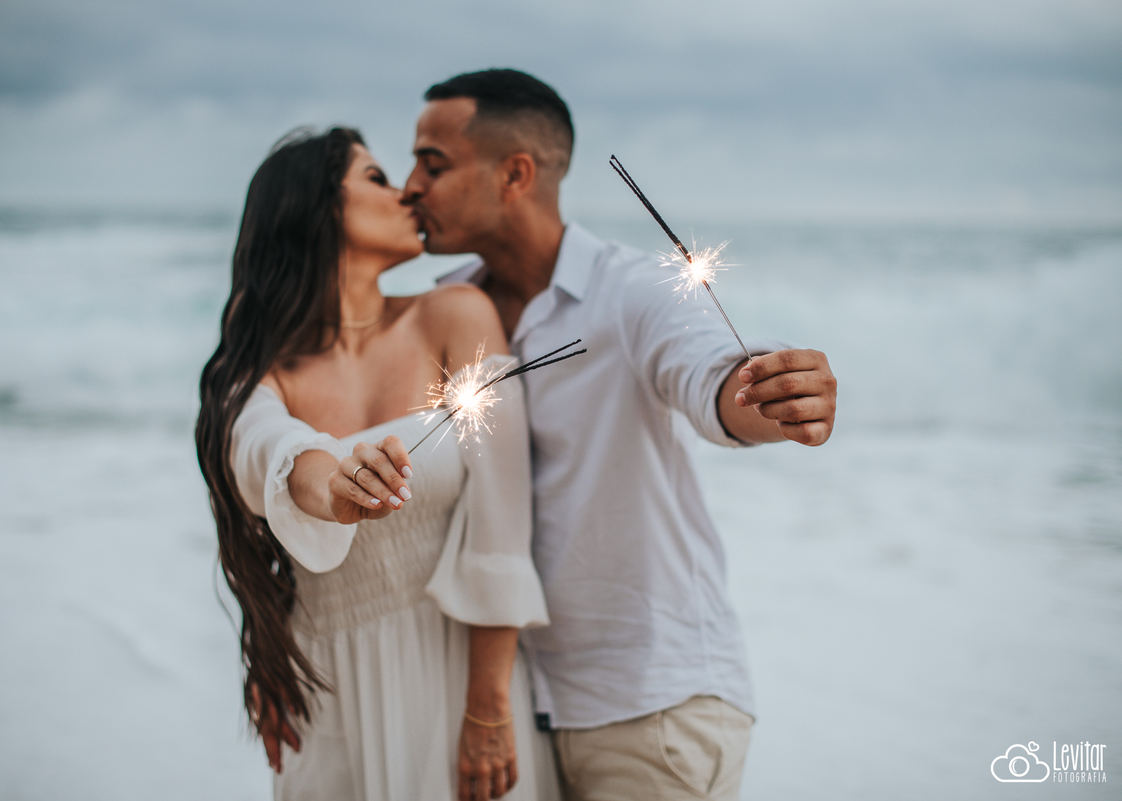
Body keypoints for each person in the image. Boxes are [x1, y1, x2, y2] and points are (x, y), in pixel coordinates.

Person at [401, 69, 839, 800]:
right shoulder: (446, 311)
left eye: (433, 163)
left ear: (515, 174)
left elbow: (709, 375)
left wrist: (772, 397)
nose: (412, 185)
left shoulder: (632, 289)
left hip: (653, 709)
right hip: (517, 708)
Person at [195, 127, 560, 801]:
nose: (407, 192)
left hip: (458, 669)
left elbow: (504, 522)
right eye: (376, 177)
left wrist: (487, 705)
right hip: (324, 681)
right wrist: (329, 482)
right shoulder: (257, 369)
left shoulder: (455, 314)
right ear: (316, 206)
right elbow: (260, 445)